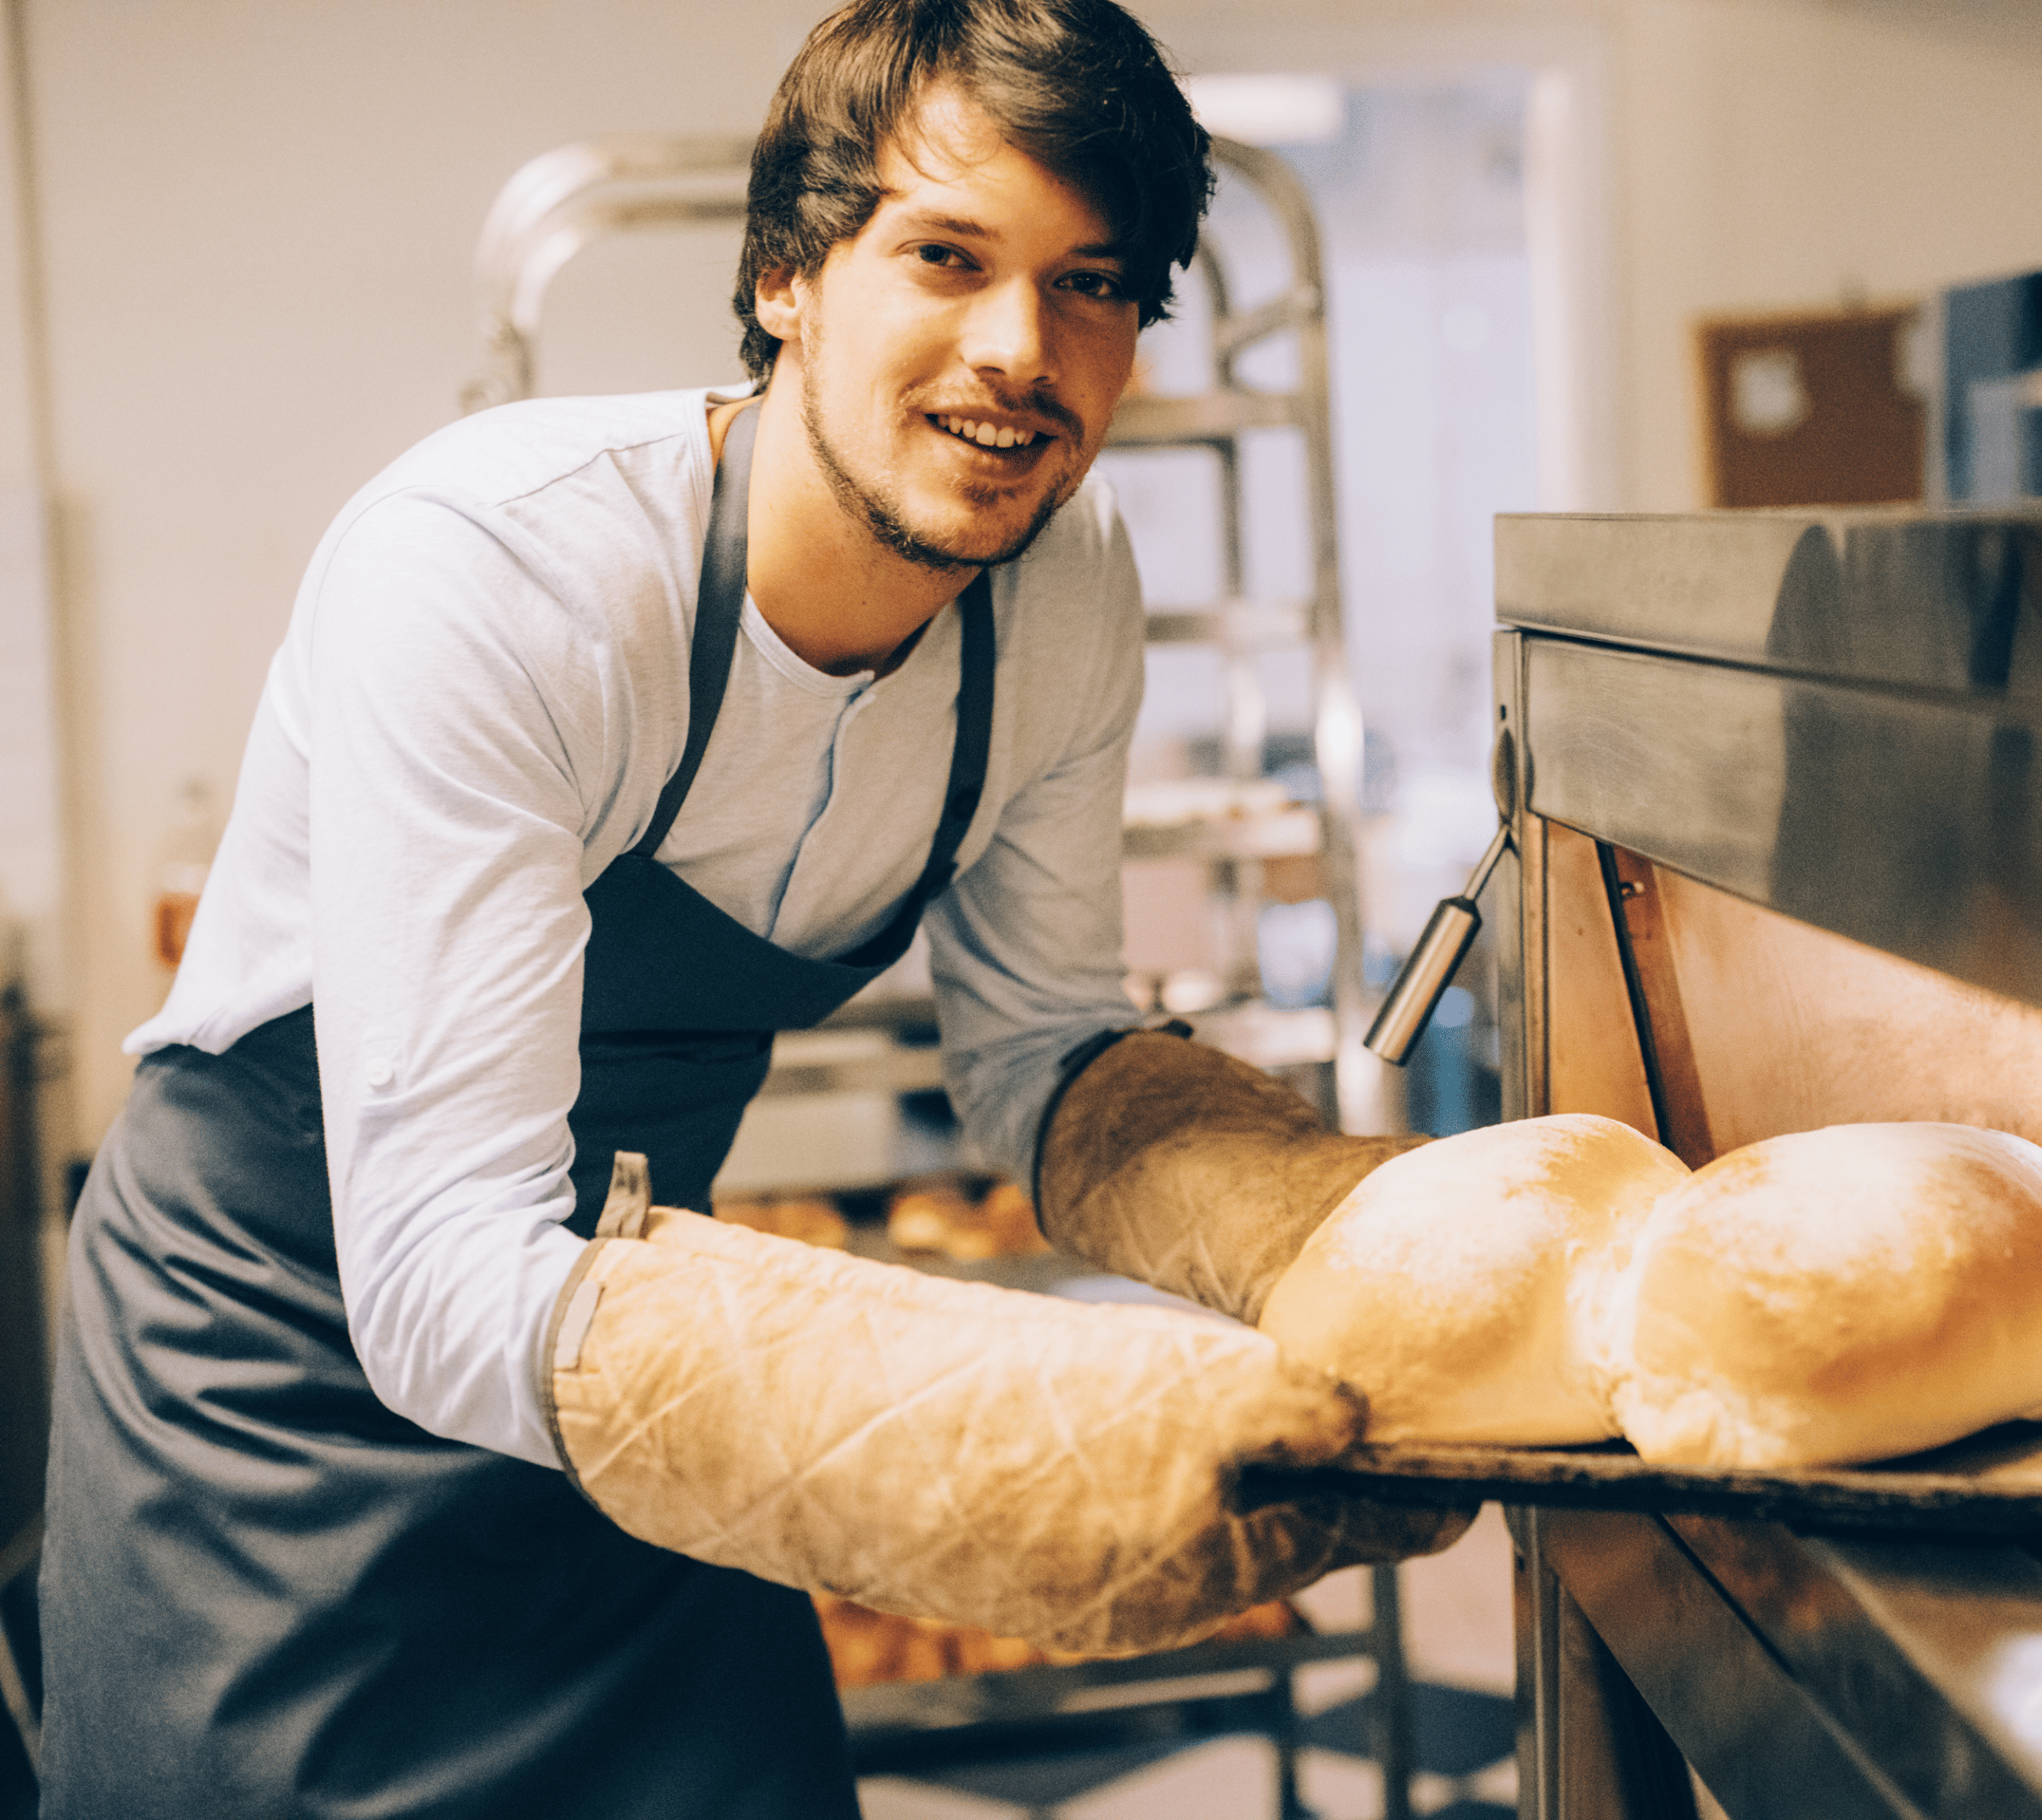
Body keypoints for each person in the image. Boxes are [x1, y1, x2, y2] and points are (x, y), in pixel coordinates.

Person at [37, 4, 1456, 1814]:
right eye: (947, 256)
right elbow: (435, 1274)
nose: (1021, 351)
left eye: (1093, 284)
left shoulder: (1062, 590)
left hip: (639, 1383)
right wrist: (990, 1431)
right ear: (788, 270)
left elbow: (1044, 1045)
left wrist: (1341, 1242)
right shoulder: (504, 573)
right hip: (290, 1393)